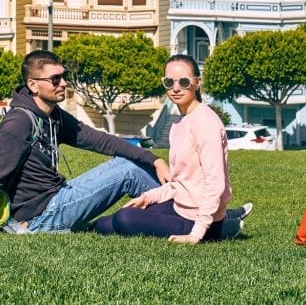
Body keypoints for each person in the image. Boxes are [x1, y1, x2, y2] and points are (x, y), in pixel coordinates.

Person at [0, 50, 171, 235]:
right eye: (55, 79)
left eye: (64, 77)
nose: (63, 83)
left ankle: (186, 210)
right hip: (38, 217)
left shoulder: (54, 116)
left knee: (127, 161)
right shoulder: (19, 122)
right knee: (128, 171)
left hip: (57, 197)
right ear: (33, 85)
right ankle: (185, 213)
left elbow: (102, 141)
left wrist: (155, 160)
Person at [94, 54, 248, 243]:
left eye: (184, 82)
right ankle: (221, 224)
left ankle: (217, 230)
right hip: (179, 206)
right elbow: (178, 183)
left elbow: (216, 183)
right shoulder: (178, 124)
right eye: (169, 82)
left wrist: (196, 234)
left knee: (124, 219)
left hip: (197, 216)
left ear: (197, 83)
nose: (175, 88)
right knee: (105, 224)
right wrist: (148, 197)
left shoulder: (206, 123)